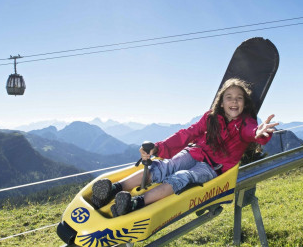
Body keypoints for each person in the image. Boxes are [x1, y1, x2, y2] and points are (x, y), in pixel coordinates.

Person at [92, 78, 278, 217]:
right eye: (229, 97)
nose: (234, 102)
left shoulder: (246, 122)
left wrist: (260, 132)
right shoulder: (210, 117)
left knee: (182, 177)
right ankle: (114, 189)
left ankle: (135, 203)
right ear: (222, 102)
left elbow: (252, 131)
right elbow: (187, 134)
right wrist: (158, 148)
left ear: (244, 103)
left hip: (212, 167)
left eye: (239, 98)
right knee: (165, 167)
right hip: (194, 152)